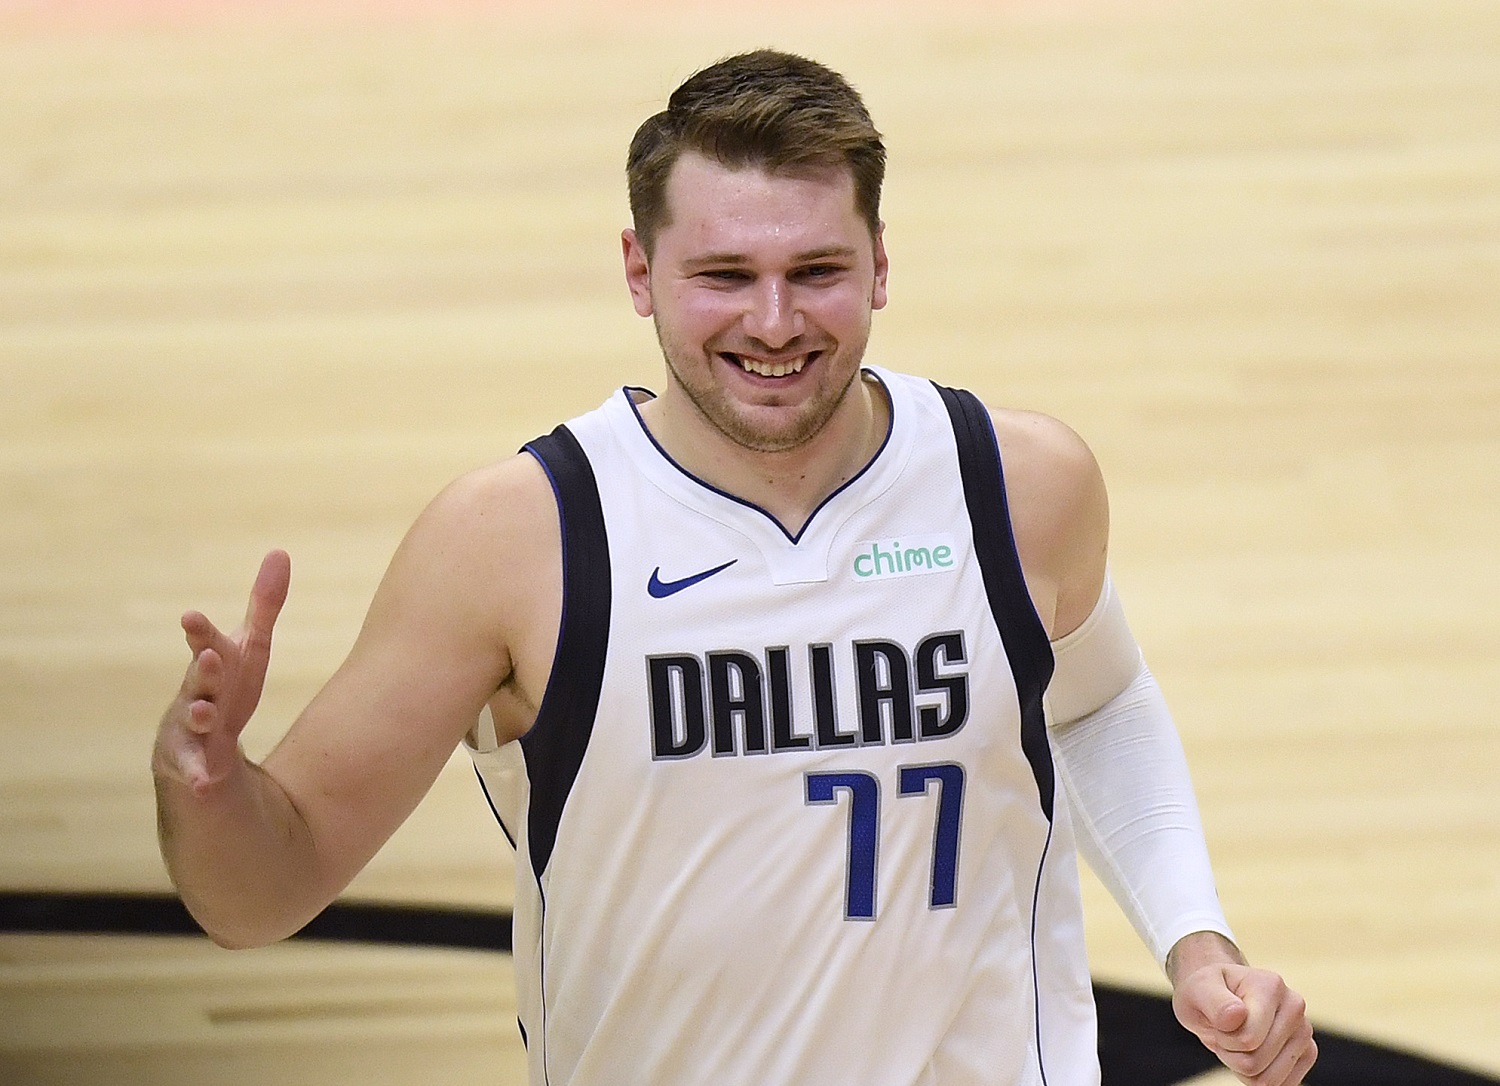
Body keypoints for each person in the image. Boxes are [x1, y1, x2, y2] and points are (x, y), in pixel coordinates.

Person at [154, 49, 1317, 1086]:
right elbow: (260, 893)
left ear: (879, 265)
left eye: (816, 270)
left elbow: (1100, 704)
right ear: (636, 269)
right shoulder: (520, 539)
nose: (773, 322)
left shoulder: (1017, 486)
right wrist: (204, 783)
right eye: (723, 275)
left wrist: (1194, 937)